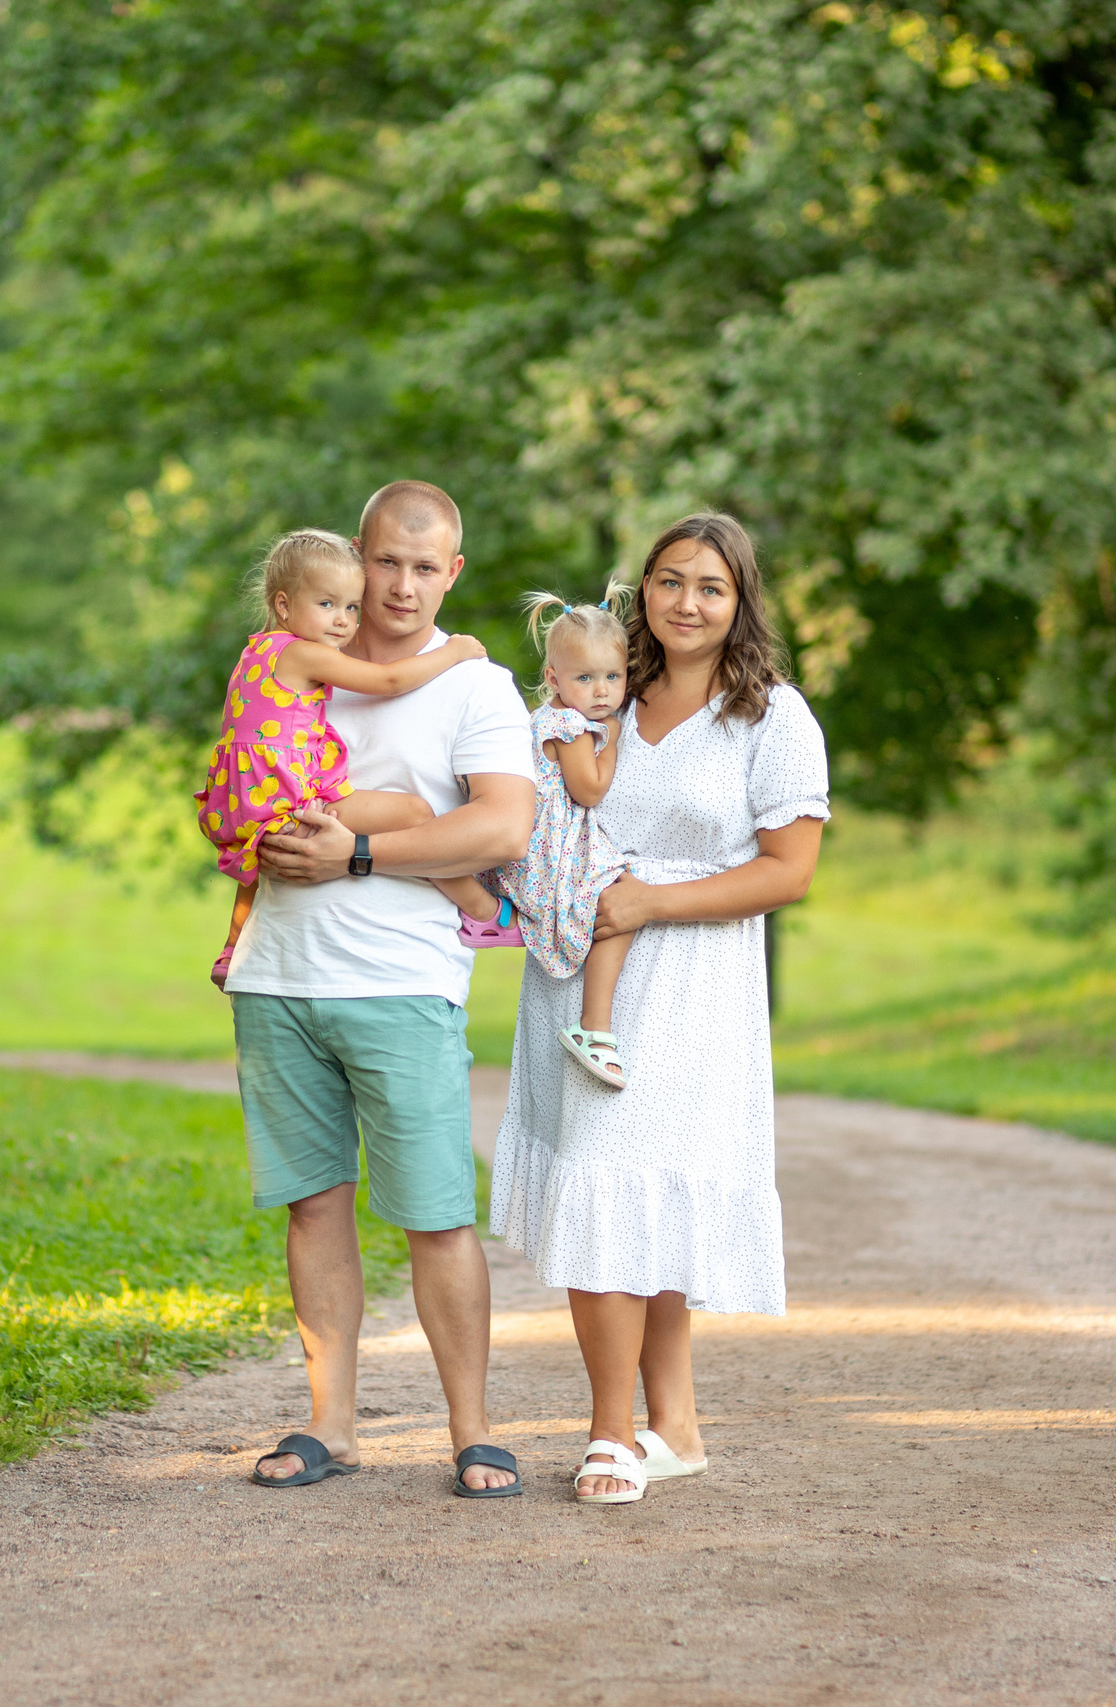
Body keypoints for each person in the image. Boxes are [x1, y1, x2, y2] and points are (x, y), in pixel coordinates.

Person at [490, 512, 829, 1506]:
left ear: (739, 605)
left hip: (694, 982)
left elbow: (789, 871)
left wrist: (649, 900)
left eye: (710, 587)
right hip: (579, 972)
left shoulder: (771, 719)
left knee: (631, 1181)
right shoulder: (603, 694)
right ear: (642, 591)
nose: (686, 601)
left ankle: (613, 1433)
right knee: (618, 1188)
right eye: (669, 581)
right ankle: (669, 1427)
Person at [225, 479, 536, 1498]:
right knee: (313, 1209)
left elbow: (499, 831)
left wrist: (356, 852)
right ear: (355, 560)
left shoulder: (474, 687)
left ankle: (473, 1431)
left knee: (435, 1214)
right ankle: (329, 1426)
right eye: (384, 564)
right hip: (278, 976)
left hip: (403, 985)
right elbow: (247, 785)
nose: (400, 587)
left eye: (423, 566)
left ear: (454, 571)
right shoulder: (304, 658)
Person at [195, 528, 501, 988]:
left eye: (351, 607)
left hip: (249, 802)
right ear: (283, 606)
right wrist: (453, 652)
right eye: (326, 605)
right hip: (289, 800)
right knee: (415, 812)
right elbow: (390, 682)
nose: (342, 620)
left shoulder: (252, 653)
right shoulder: (303, 654)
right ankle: (483, 911)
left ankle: (232, 947)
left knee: (254, 873)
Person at [490, 593, 640, 1089]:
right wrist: (612, 740)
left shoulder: (550, 716)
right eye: (585, 678)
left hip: (544, 837)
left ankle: (492, 914)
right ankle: (595, 1027)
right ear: (554, 678)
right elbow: (589, 789)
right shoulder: (572, 728)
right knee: (621, 895)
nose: (601, 691)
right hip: (555, 847)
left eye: (612, 677)